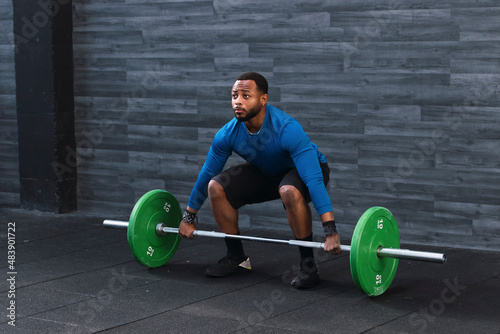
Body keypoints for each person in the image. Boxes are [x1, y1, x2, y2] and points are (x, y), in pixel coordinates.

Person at [178, 72, 341, 289]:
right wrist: (189, 217)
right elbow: (207, 173)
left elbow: (313, 179)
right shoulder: (227, 134)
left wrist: (330, 230)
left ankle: (308, 266)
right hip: (267, 172)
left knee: (289, 190)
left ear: (263, 99)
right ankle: (237, 258)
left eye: (246, 96)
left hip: (307, 171)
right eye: (234, 95)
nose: (238, 101)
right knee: (216, 186)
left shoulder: (287, 129)